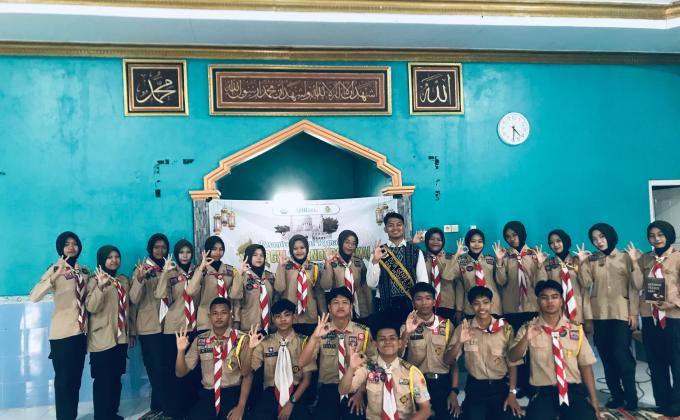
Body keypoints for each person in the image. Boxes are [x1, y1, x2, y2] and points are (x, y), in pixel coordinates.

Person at [508, 280, 602, 420]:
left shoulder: (575, 329)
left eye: (554, 297)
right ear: (538, 301)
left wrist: (594, 401)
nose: (550, 301)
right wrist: (526, 339)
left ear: (562, 301)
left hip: (572, 391)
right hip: (543, 393)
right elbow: (513, 357)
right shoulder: (528, 328)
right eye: (544, 297)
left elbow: (586, 366)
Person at [578, 223, 641, 410]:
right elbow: (585, 283)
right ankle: (617, 396)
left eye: (602, 237)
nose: (598, 241)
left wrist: (633, 313)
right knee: (606, 357)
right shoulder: (592, 260)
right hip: (600, 316)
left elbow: (636, 286)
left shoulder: (625, 257)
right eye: (594, 239)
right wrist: (582, 262)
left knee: (622, 357)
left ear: (610, 236)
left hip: (621, 314)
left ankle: (631, 398)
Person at [30, 231, 89, 420]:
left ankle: (71, 416)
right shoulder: (55, 269)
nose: (71, 247)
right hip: (62, 334)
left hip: (81, 332)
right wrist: (54, 277)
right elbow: (34, 296)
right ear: (60, 248)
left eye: (74, 243)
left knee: (75, 380)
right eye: (66, 244)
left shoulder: (84, 271)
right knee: (63, 382)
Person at [445, 286, 522, 420]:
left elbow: (512, 363)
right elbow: (448, 360)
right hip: (475, 388)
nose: (482, 307)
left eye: (486, 302)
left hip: (500, 388)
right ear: (471, 306)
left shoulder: (505, 328)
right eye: (476, 303)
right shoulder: (464, 328)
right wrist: (459, 342)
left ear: (492, 303)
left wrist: (512, 393)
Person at [297, 287, 375, 420]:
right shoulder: (322, 331)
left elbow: (372, 364)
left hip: (355, 387)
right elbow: (302, 362)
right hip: (329, 388)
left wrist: (361, 392)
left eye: (345, 302)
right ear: (329, 307)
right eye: (336, 302)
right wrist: (314, 337)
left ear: (351, 307)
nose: (340, 306)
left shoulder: (363, 332)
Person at [339, 312, 432, 420]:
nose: (387, 342)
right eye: (382, 339)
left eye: (392, 338)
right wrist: (351, 368)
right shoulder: (368, 367)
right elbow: (343, 390)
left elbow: (426, 409)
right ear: (375, 344)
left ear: (400, 343)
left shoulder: (411, 372)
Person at [175, 297, 251, 420]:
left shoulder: (242, 339)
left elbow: (248, 374)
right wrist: (180, 351)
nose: (219, 317)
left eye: (223, 313)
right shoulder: (200, 340)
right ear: (209, 316)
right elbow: (180, 373)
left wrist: (241, 406)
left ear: (230, 315)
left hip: (232, 392)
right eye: (215, 313)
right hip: (208, 394)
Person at [241, 299, 315, 420]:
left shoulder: (304, 342)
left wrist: (291, 403)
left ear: (294, 317)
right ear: (273, 319)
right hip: (271, 392)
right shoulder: (265, 342)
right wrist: (250, 348)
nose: (283, 319)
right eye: (278, 316)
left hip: (296, 392)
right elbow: (245, 372)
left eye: (287, 315)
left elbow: (306, 380)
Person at [635, 221, 680, 418]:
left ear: (669, 235)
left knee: (677, 363)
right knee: (655, 362)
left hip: (673, 317)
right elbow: (637, 285)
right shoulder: (645, 258)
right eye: (652, 236)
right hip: (650, 317)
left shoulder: (678, 257)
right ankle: (662, 402)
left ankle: (677, 404)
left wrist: (673, 303)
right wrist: (634, 264)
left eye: (661, 234)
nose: (656, 239)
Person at [155, 239, 201, 419]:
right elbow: (159, 294)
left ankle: (192, 407)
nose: (185, 255)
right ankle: (175, 409)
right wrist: (164, 273)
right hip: (174, 327)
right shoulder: (171, 272)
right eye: (181, 252)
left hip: (194, 326)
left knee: (193, 369)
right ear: (176, 254)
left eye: (188, 252)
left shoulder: (199, 271)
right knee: (174, 371)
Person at [86, 245, 133, 420]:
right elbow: (91, 307)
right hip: (101, 338)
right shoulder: (93, 280)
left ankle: (112, 413)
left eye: (116, 257)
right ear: (102, 260)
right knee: (102, 380)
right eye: (109, 257)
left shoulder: (122, 280)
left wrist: (130, 332)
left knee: (115, 378)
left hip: (120, 337)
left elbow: (128, 308)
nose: (114, 260)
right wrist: (100, 287)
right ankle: (101, 416)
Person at [400, 283, 456, 420]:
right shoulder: (406, 326)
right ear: (413, 303)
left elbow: (454, 363)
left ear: (434, 301)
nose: (424, 303)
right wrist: (407, 333)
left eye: (428, 298)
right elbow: (398, 357)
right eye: (419, 299)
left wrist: (454, 391)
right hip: (416, 384)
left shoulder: (446, 325)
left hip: (442, 383)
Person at [130, 233, 170, 416]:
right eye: (156, 247)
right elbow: (133, 298)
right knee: (155, 368)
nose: (160, 251)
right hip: (149, 327)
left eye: (164, 247)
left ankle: (162, 404)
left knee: (166, 367)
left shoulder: (169, 268)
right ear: (150, 249)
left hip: (168, 326)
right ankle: (160, 407)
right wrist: (139, 279)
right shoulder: (141, 269)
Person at [367, 212, 428, 324]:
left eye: (399, 224)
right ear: (385, 229)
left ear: (403, 227)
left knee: (410, 333)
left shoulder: (415, 250)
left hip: (410, 305)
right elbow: (371, 284)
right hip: (384, 305)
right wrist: (375, 261)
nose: (395, 228)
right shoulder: (379, 251)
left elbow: (423, 281)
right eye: (391, 225)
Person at [188, 236, 243, 333]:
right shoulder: (200, 271)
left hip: (227, 321)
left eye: (221, 249)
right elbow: (190, 291)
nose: (218, 252)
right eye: (214, 249)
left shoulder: (230, 271)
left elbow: (235, 299)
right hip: (206, 321)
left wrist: (237, 320)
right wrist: (201, 267)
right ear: (208, 250)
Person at [538, 230, 592, 328]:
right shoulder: (548, 264)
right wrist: (540, 265)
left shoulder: (577, 261)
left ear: (565, 241)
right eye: (551, 242)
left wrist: (582, 263)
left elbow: (586, 284)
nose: (555, 245)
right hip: (555, 313)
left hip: (577, 312)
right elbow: (541, 288)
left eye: (558, 241)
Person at [445, 229, 502, 320]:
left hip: (493, 307)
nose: (476, 244)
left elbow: (501, 281)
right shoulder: (461, 262)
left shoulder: (491, 260)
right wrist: (456, 255)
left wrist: (499, 261)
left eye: (480, 241)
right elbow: (447, 277)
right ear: (468, 243)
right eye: (473, 241)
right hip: (471, 307)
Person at [275, 234, 324, 337]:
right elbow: (279, 288)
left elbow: (319, 294)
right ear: (291, 250)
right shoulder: (285, 267)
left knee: (311, 345)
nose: (299, 251)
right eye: (295, 248)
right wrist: (281, 266)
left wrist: (324, 315)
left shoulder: (313, 268)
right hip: (290, 317)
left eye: (302, 247)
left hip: (310, 316)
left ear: (307, 249)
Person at [321, 230, 374, 323]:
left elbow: (366, 287)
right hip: (340, 309)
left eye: (353, 243)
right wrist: (328, 265)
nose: (350, 246)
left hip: (360, 309)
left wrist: (371, 310)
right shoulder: (332, 262)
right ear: (340, 242)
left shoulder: (359, 262)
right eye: (347, 242)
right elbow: (326, 285)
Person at [420, 228, 460, 322]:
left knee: (447, 330)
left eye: (439, 239)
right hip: (426, 304)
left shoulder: (451, 258)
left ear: (443, 242)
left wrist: (459, 308)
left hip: (447, 304)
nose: (435, 242)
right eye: (432, 239)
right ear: (427, 240)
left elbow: (457, 283)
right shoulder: (421, 257)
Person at [236, 244, 274, 334]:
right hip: (249, 327)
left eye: (261, 255)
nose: (259, 257)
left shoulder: (269, 276)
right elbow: (234, 296)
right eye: (255, 255)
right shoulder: (243, 276)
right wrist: (240, 273)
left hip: (269, 327)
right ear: (248, 257)